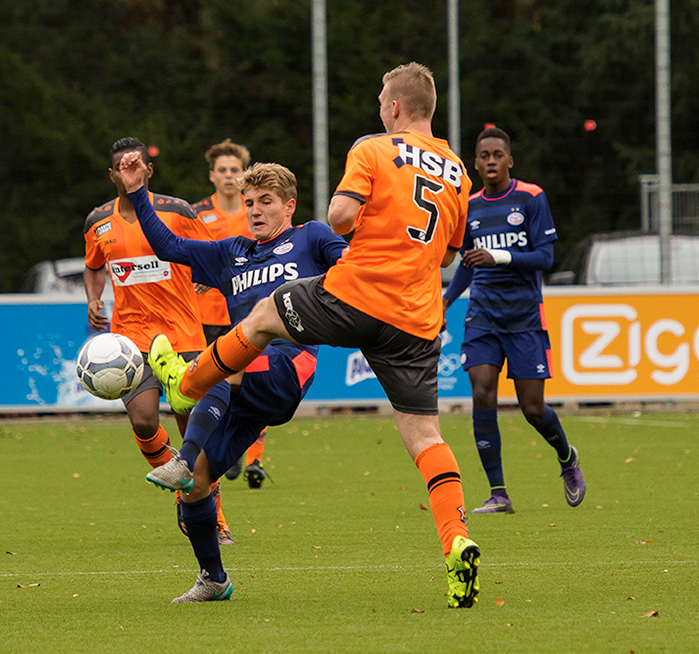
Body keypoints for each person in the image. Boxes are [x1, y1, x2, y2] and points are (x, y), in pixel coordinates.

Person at [143, 63, 482, 609]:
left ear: (394, 107)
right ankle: (455, 541)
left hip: (361, 293)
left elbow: (342, 215)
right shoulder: (459, 173)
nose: (378, 107)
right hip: (417, 318)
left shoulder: (374, 148)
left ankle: (187, 382)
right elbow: (447, 253)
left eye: (380, 99)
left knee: (263, 315)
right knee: (424, 435)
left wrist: (364, 223)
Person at [117, 157, 348, 602]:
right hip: (243, 386)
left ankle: (183, 433)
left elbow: (351, 267)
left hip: (288, 365)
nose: (256, 210)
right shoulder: (232, 252)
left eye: (266, 201)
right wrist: (138, 191)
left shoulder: (311, 236)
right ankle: (214, 580)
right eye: (249, 203)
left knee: (222, 362)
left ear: (289, 206)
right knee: (197, 486)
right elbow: (168, 246)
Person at [82, 137, 233, 542]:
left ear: (149, 170)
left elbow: (210, 251)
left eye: (137, 165)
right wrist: (94, 298)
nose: (129, 171)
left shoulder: (177, 211)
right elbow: (93, 266)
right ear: (112, 174)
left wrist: (209, 280)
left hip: (183, 336)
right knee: (144, 420)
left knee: (194, 432)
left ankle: (211, 507)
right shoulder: (98, 221)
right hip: (131, 343)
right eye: (121, 166)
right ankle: (185, 486)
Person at [442, 126, 586, 514]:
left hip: (523, 317)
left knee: (533, 409)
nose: (491, 161)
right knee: (482, 390)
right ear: (476, 163)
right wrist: (446, 300)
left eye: (497, 155)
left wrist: (499, 257)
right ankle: (498, 493)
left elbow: (544, 259)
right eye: (484, 156)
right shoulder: (468, 206)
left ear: (509, 161)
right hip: (483, 315)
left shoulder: (531, 197)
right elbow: (468, 266)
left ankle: (566, 456)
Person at [191, 139, 270, 488]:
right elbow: (189, 257)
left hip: (246, 315)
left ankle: (252, 457)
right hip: (205, 317)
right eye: (222, 170)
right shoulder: (197, 214)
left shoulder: (256, 210)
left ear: (243, 175)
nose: (228, 175)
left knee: (253, 386)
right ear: (212, 176)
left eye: (234, 170)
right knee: (213, 387)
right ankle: (221, 447)